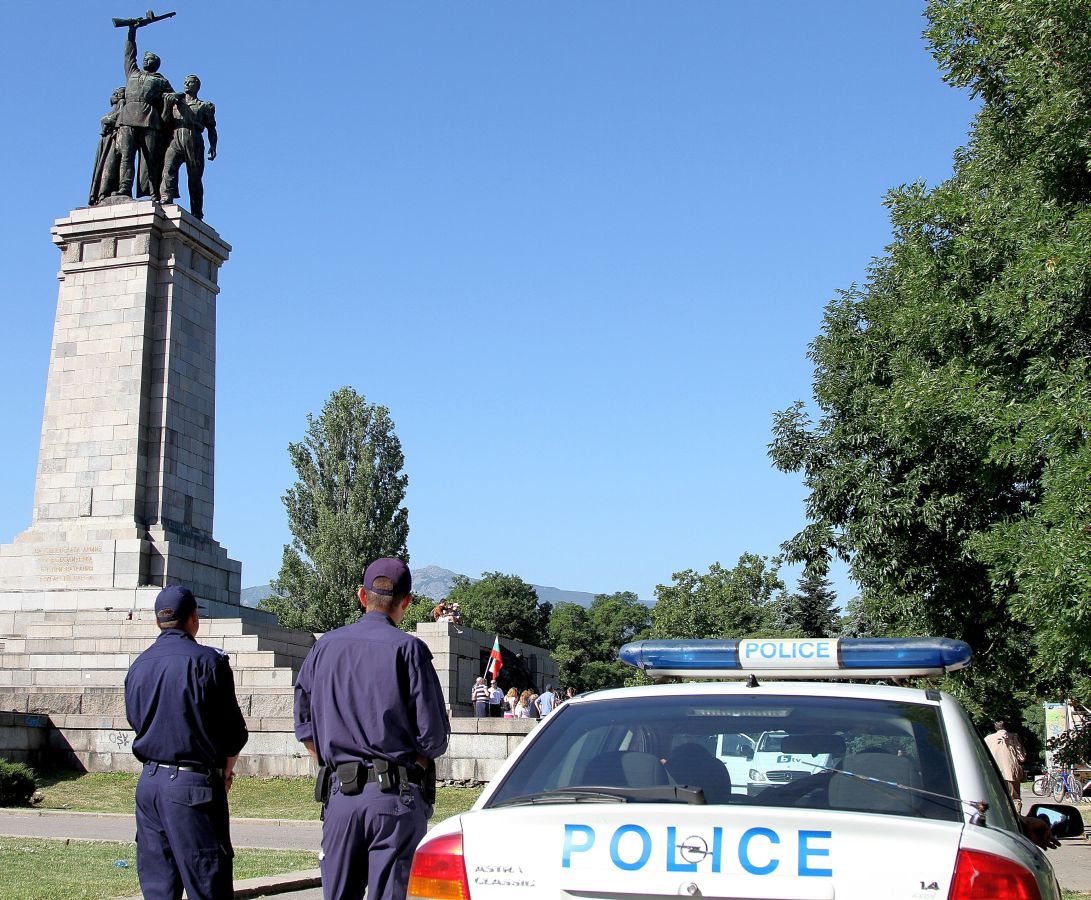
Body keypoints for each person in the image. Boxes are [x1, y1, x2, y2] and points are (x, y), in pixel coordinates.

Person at [294, 558, 449, 900]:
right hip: (394, 799)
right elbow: (433, 736)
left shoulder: (323, 647)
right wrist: (417, 764)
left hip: (340, 797)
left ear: (362, 596)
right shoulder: (409, 650)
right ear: (406, 602)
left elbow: (303, 724)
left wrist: (331, 762)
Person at [124, 585, 248, 900]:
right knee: (208, 885)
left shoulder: (139, 666)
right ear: (193, 618)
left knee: (157, 888)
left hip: (149, 784)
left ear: (158, 622)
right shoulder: (209, 662)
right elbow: (233, 731)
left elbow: (136, 722)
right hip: (193, 787)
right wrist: (226, 772)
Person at [116, 23, 174, 200]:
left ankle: (153, 191)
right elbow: (129, 55)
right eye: (146, 58)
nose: (147, 60)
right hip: (127, 117)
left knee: (151, 159)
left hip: (149, 119)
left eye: (151, 59)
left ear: (156, 64)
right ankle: (124, 187)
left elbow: (173, 97)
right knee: (127, 156)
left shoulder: (160, 81)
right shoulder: (132, 73)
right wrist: (131, 33)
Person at [160, 75, 217, 220]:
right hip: (176, 136)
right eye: (185, 82)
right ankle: (166, 197)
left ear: (197, 86)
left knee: (194, 178)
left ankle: (197, 211)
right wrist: (167, 105)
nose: (186, 84)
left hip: (195, 139)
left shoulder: (205, 106)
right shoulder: (175, 102)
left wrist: (213, 146)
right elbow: (164, 121)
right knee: (169, 168)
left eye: (190, 82)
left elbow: (211, 128)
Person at [89, 87, 126, 206]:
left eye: (117, 94)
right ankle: (102, 193)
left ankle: (104, 192)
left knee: (111, 165)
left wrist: (106, 120)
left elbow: (112, 119)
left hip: (114, 139)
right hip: (107, 141)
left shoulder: (122, 106)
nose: (114, 96)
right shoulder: (117, 109)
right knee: (106, 165)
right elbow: (107, 121)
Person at [985, 720, 1028, 812]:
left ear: (995, 727)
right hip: (1010, 772)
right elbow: (1022, 757)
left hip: (994, 773)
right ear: (1007, 727)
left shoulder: (988, 739)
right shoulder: (1013, 737)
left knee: (997, 799)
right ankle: (1017, 819)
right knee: (1015, 799)